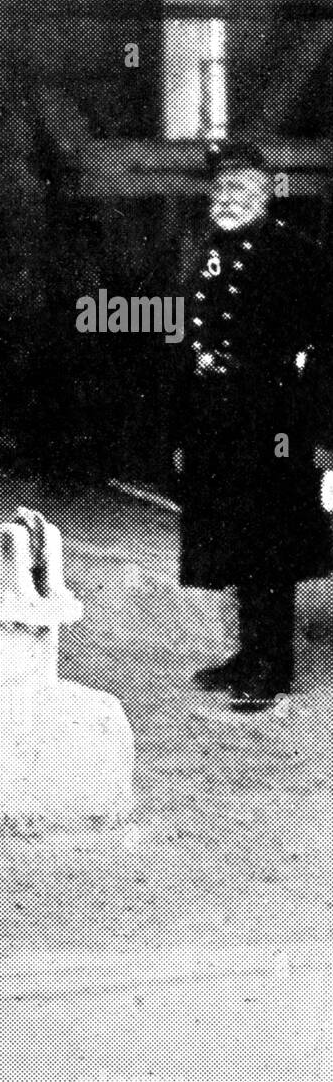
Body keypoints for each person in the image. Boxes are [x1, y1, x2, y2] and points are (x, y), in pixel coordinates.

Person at [178, 141, 333, 711]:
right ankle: (249, 654)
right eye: (220, 191)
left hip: (276, 419)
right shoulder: (208, 252)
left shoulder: (299, 256)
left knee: (270, 546)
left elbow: (327, 347)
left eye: (240, 191)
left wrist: (321, 432)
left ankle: (272, 668)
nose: (226, 200)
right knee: (239, 539)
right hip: (220, 417)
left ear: (268, 194)